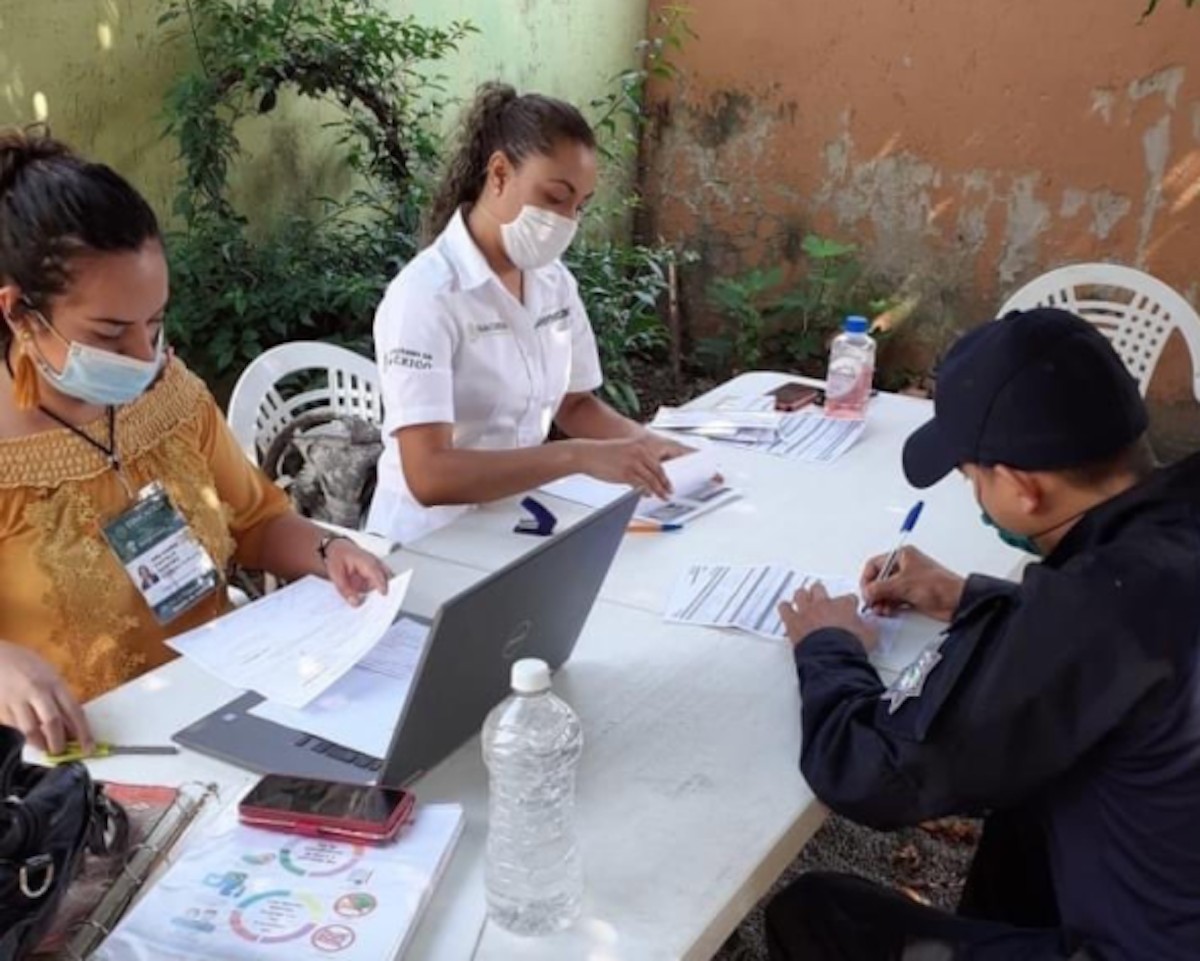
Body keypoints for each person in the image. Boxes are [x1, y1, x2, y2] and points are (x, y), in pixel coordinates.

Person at [769, 308, 1200, 960]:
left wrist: (828, 646)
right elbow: (1132, 643)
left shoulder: (1091, 610)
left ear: (1023, 488)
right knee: (1026, 814)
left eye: (971, 477)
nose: (973, 493)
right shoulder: (1169, 529)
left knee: (820, 915)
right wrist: (969, 594)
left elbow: (875, 773)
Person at [0, 129, 391, 755]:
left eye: (154, 322)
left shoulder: (171, 397)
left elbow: (256, 523)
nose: (141, 354)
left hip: (224, 716)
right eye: (110, 333)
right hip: (82, 765)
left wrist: (328, 550)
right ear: (19, 313)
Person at [366, 82, 686, 544]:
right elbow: (429, 475)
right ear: (498, 173)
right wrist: (576, 458)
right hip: (426, 543)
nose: (566, 221)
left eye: (579, 207)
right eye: (555, 197)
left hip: (514, 524)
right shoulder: (426, 297)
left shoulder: (552, 281)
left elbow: (574, 404)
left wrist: (646, 447)